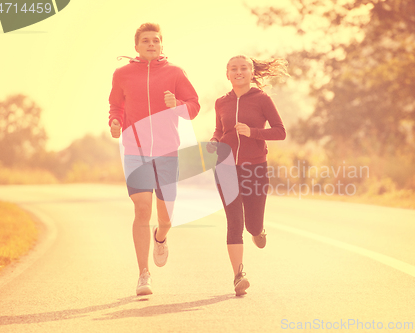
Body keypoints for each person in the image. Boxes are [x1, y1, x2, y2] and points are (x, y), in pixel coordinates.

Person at [108, 23, 200, 296]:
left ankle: (160, 236)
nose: (151, 44)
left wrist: (179, 105)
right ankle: (143, 274)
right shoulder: (122, 74)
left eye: (156, 41)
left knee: (166, 217)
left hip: (167, 151)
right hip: (135, 151)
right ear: (136, 46)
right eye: (146, 40)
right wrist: (115, 121)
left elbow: (194, 106)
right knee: (141, 209)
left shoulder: (174, 73)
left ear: (162, 46)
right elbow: (116, 106)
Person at [207, 55, 288, 296]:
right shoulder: (221, 102)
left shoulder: (262, 100)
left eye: (244, 68)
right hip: (226, 168)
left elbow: (280, 132)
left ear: (252, 73)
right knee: (234, 223)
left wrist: (252, 132)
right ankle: (238, 275)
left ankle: (258, 230)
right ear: (227, 74)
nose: (239, 72)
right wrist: (213, 142)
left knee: (252, 225)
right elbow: (219, 130)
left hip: (255, 168)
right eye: (234, 69)